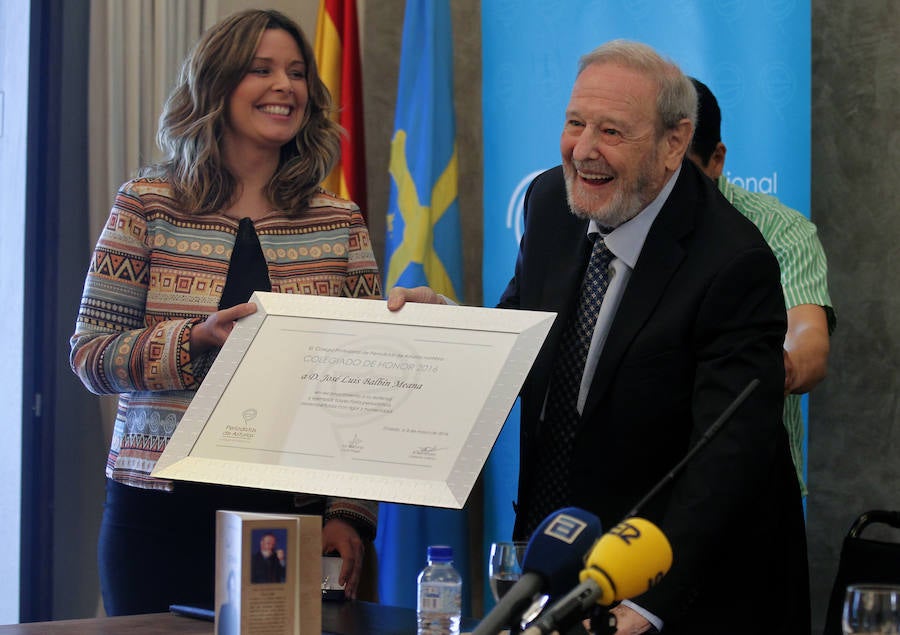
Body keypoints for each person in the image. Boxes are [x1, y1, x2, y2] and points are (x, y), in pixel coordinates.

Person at [388, 40, 810, 634]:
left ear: (673, 144)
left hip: (681, 587)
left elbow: (727, 456)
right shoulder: (548, 205)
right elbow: (525, 336)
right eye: (575, 123)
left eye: (611, 131)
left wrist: (647, 604)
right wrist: (453, 331)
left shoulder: (733, 262)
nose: (582, 149)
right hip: (556, 560)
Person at [70, 9, 381, 615]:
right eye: (260, 70)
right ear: (216, 85)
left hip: (291, 519)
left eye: (296, 72)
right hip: (158, 513)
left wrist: (349, 515)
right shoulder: (148, 204)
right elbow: (89, 356)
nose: (283, 87)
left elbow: (362, 385)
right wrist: (195, 340)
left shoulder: (338, 221)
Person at [687, 77, 835, 496]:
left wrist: (767, 368)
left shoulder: (779, 230)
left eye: (681, 174)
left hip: (753, 486)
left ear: (716, 159)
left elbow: (809, 342)